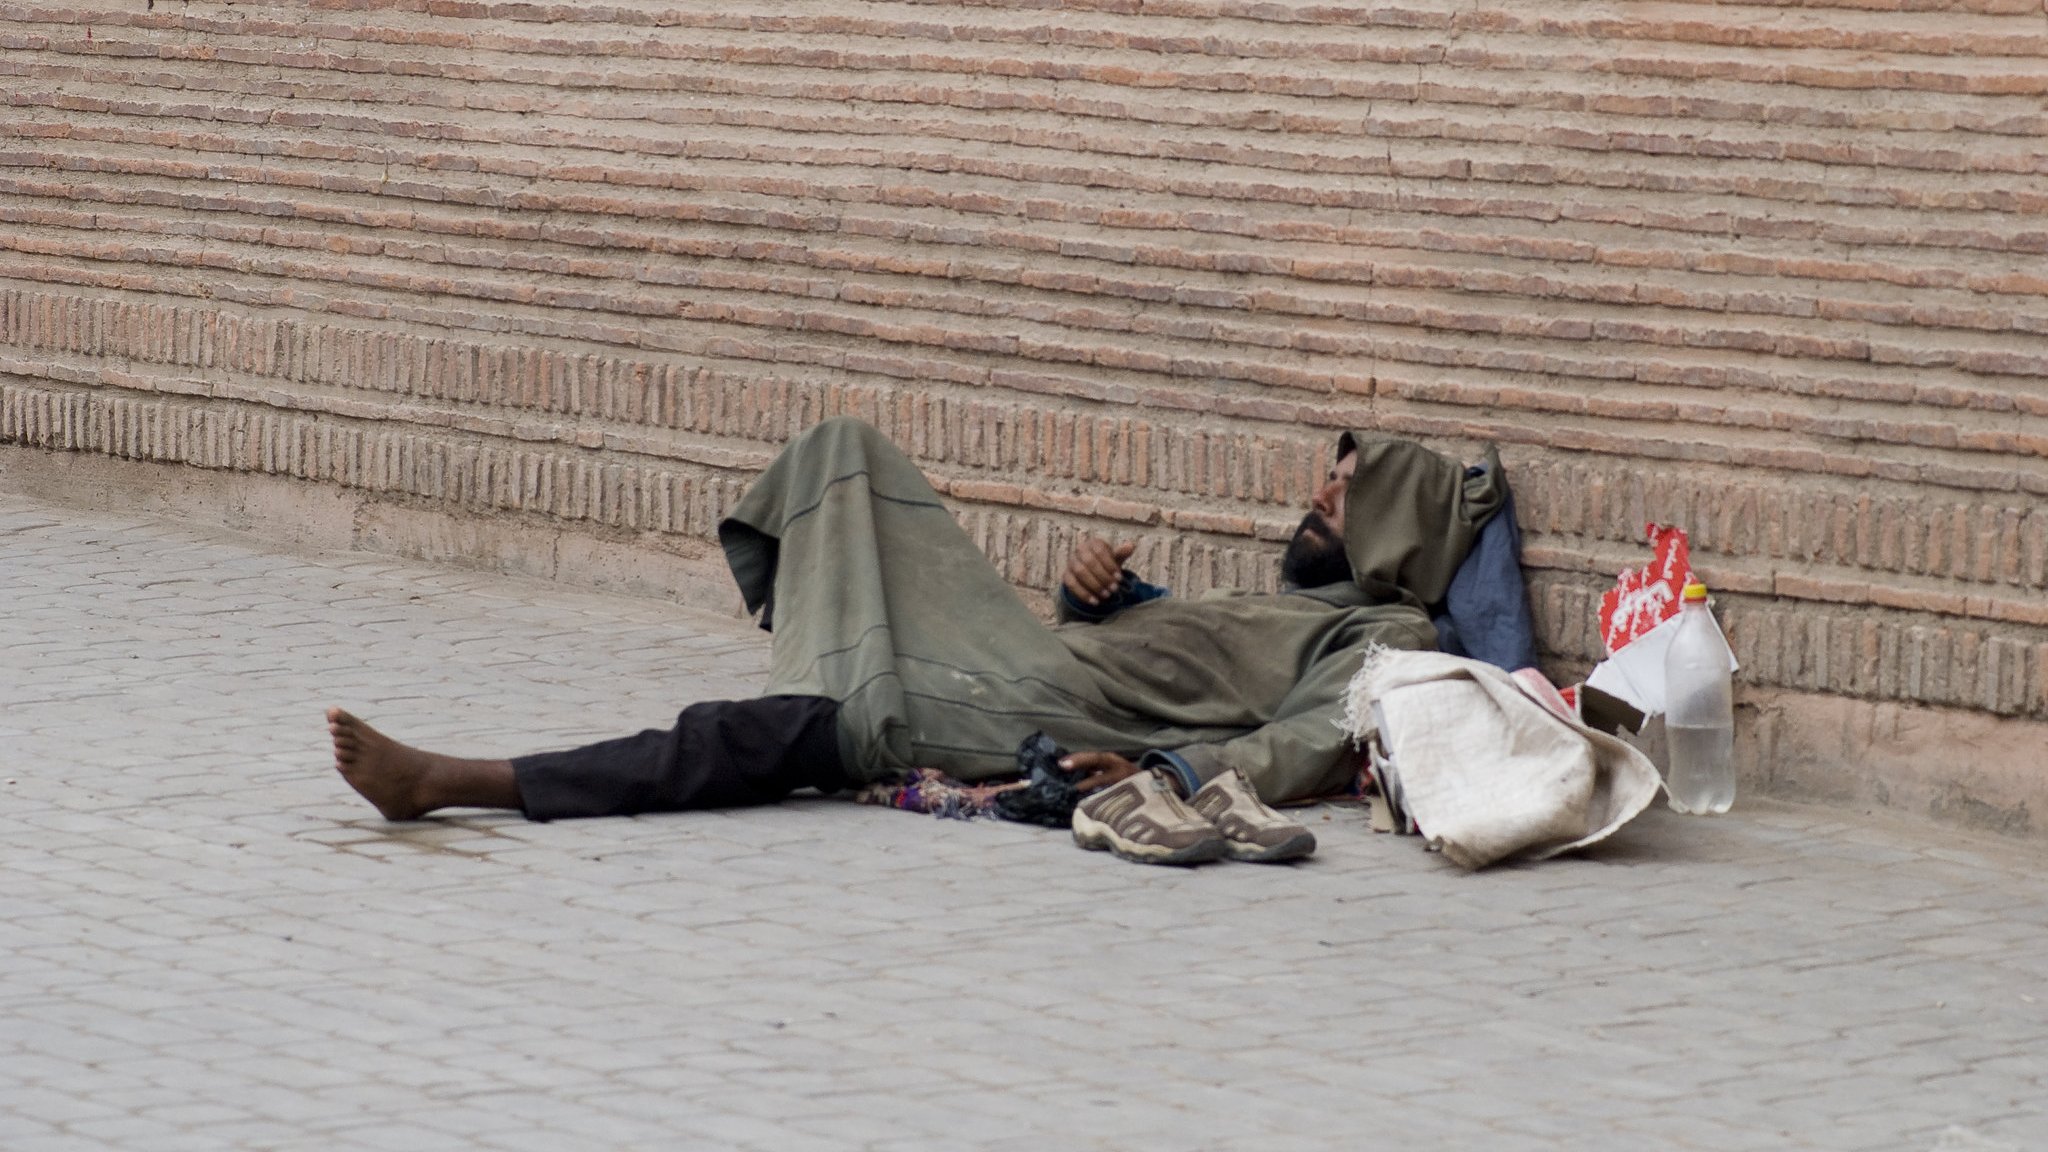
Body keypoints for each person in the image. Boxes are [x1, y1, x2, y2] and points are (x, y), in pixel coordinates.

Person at [329, 417, 1506, 865]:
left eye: (1339, 493)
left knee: (803, 732)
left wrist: (1171, 775)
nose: (1312, 500)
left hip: (1030, 710)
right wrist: (1101, 598)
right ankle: (823, 673)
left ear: (1394, 523)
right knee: (842, 454)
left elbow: (1304, 739)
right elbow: (1180, 661)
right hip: (1030, 657)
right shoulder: (1296, 605)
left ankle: (453, 782)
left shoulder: (1387, 638)